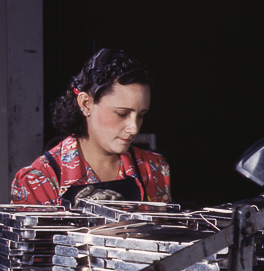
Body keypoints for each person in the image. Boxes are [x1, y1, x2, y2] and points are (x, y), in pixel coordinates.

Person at [10, 48, 171, 206]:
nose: (134, 128)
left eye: (141, 115)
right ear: (86, 104)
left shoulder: (154, 168)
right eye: (122, 114)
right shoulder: (38, 180)